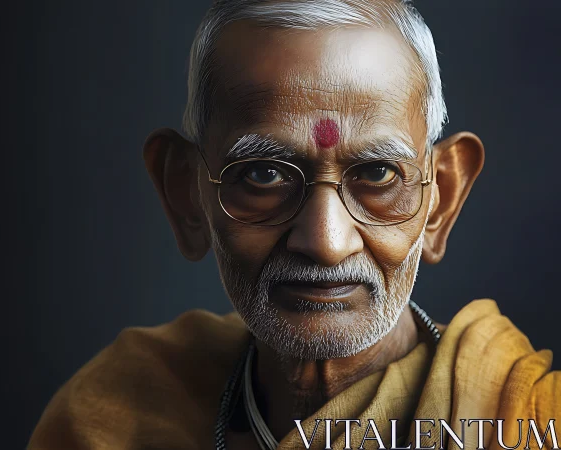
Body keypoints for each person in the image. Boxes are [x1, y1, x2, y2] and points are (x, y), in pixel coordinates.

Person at [29, 1, 560, 449]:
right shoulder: (115, 419)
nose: (326, 242)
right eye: (263, 174)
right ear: (186, 193)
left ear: (440, 199)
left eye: (377, 173)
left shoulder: (527, 421)